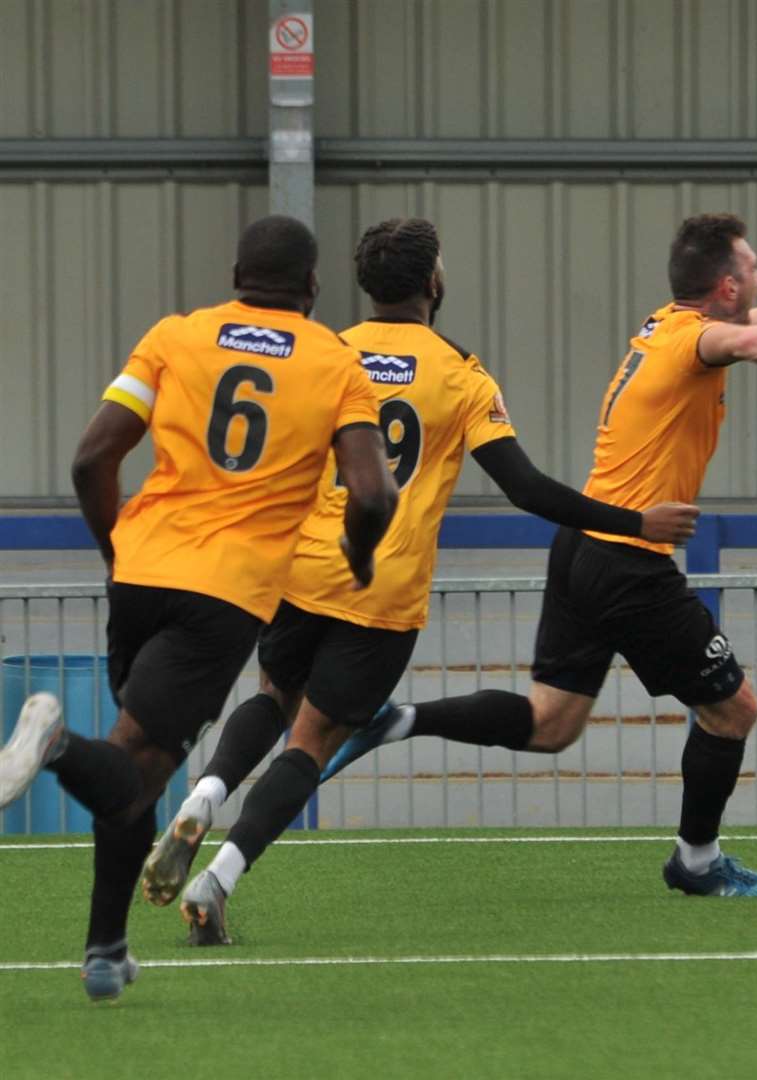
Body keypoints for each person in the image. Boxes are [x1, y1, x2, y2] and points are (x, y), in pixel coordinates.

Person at [321, 213, 757, 899]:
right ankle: (697, 861)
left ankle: (398, 718)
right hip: (627, 564)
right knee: (732, 710)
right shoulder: (698, 342)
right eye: (752, 267)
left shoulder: (669, 328)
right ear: (727, 286)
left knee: (550, 725)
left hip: (582, 553)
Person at [142, 218, 699, 943]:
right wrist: (634, 522)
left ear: (364, 284)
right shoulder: (461, 374)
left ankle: (205, 793)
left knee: (275, 696)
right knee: (311, 741)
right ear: (433, 282)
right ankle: (219, 880)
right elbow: (525, 488)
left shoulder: (329, 353)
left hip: (303, 565)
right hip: (383, 589)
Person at [0, 216, 396, 1000]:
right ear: (314, 287)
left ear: (236, 272)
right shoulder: (335, 360)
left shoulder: (175, 336)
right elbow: (374, 489)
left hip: (142, 569)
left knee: (138, 764)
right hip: (224, 592)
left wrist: (120, 550)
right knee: (128, 768)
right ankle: (54, 744)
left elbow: (91, 459)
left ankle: (106, 951)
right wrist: (357, 551)